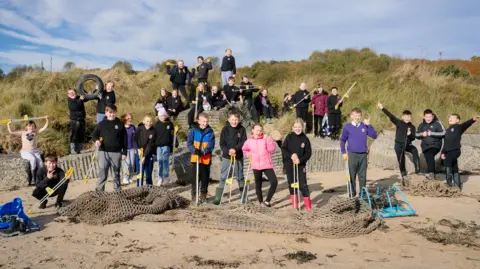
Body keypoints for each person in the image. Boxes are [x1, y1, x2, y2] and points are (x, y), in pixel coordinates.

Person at [340, 108, 377, 197]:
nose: (357, 117)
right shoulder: (347, 127)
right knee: (351, 175)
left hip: (363, 155)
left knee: (362, 176)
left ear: (361, 116)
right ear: (351, 116)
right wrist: (343, 152)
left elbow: (374, 136)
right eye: (355, 115)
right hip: (352, 154)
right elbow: (342, 140)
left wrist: (369, 125)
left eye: (359, 115)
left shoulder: (364, 126)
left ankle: (362, 193)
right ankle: (352, 193)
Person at [377, 103, 420, 179]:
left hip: (407, 144)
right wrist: (382, 108)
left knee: (415, 150)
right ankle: (404, 174)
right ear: (402, 117)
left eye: (409, 117)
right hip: (398, 144)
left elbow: (413, 138)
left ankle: (418, 170)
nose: (407, 118)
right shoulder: (399, 123)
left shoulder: (412, 126)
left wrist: (410, 134)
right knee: (401, 159)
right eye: (406, 117)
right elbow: (390, 115)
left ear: (410, 118)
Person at [213, 111, 248, 205]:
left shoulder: (242, 129)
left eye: (236, 120)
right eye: (232, 119)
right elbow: (222, 143)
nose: (234, 121)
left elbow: (243, 141)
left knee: (240, 176)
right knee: (223, 176)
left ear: (239, 119)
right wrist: (228, 151)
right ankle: (218, 198)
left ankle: (243, 196)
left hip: (238, 156)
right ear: (228, 120)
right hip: (226, 156)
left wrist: (235, 149)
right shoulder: (225, 129)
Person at [92, 104, 127, 191]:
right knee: (102, 172)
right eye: (110, 112)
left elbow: (125, 140)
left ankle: (117, 190)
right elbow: (94, 134)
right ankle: (99, 191)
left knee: (116, 173)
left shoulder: (120, 124)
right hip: (103, 152)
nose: (112, 114)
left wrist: (124, 152)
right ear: (106, 113)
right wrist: (96, 140)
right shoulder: (101, 124)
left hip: (116, 152)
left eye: (114, 112)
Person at [242, 123, 278, 207]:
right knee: (258, 184)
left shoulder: (265, 139)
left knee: (274, 182)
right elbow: (244, 150)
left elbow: (271, 149)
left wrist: (269, 140)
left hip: (266, 164)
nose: (258, 132)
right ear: (253, 130)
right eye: (257, 130)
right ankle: (261, 202)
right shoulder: (248, 141)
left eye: (260, 130)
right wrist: (249, 155)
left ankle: (267, 201)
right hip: (255, 165)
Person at [282, 119, 312, 211]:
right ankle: (295, 206)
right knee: (292, 184)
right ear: (292, 128)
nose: (297, 129)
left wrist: (300, 160)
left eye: (299, 127)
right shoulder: (289, 137)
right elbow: (284, 149)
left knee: (303, 185)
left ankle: (308, 207)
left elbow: (308, 153)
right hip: (289, 164)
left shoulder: (305, 139)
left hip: (300, 165)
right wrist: (291, 155)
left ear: (302, 127)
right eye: (295, 127)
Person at [441, 114, 478, 189]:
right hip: (447, 151)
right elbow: (446, 143)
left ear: (457, 120)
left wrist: (472, 119)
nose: (450, 119)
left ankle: (449, 184)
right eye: (449, 118)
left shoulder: (458, 127)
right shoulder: (447, 130)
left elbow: (466, 124)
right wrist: (443, 152)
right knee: (454, 167)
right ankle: (457, 185)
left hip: (455, 151)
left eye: (452, 118)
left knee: (447, 164)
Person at [7, 118, 49, 185]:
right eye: (29, 126)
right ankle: (33, 179)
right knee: (33, 159)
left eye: (33, 126)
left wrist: (47, 120)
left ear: (35, 128)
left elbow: (44, 128)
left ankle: (41, 178)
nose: (31, 127)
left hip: (35, 151)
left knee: (41, 163)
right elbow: (11, 132)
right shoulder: (22, 133)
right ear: (26, 127)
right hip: (26, 151)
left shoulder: (35, 132)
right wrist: (8, 124)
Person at [187, 112, 215, 202]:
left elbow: (211, 145)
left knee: (205, 178)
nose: (205, 123)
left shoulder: (210, 132)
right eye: (203, 121)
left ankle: (203, 195)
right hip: (195, 158)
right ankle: (194, 194)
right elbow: (189, 143)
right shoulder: (193, 131)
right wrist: (194, 150)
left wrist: (204, 151)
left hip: (206, 159)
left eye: (207, 121)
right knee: (195, 178)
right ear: (199, 121)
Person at [416, 109, 445, 179]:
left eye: (430, 117)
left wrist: (431, 133)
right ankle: (433, 176)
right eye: (427, 117)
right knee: (429, 158)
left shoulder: (437, 123)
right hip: (425, 147)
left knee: (430, 154)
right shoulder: (421, 125)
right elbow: (416, 135)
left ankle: (431, 173)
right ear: (424, 117)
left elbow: (444, 133)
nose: (428, 118)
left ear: (433, 116)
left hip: (435, 145)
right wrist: (422, 134)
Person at [154, 109, 177, 186]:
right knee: (159, 161)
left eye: (163, 115)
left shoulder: (170, 124)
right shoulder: (156, 125)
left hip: (166, 145)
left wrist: (175, 142)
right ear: (158, 116)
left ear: (166, 115)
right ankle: (160, 177)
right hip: (158, 146)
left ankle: (166, 176)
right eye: (160, 115)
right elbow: (154, 136)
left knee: (165, 161)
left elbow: (173, 135)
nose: (162, 117)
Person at [133, 116, 157, 185]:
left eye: (150, 121)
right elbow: (134, 140)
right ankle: (139, 188)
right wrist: (137, 149)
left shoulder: (153, 131)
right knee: (139, 173)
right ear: (143, 121)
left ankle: (149, 188)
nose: (149, 123)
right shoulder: (139, 129)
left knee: (148, 173)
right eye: (147, 121)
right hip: (139, 153)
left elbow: (150, 145)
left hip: (148, 154)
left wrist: (144, 156)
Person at [67, 88, 90, 154]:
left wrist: (83, 91)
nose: (72, 94)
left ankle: (79, 149)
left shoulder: (78, 97)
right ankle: (73, 149)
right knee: (74, 135)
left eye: (73, 92)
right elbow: (74, 107)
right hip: (74, 121)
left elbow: (87, 98)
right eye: (70, 93)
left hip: (82, 119)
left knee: (81, 135)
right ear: (68, 95)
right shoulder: (70, 100)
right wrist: (80, 100)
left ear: (76, 92)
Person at [121, 113, 136, 185]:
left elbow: (136, 137)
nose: (130, 120)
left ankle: (130, 177)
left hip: (132, 148)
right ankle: (125, 177)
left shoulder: (133, 127)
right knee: (127, 164)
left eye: (131, 118)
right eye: (128, 118)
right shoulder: (122, 127)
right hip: (125, 149)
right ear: (124, 119)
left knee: (132, 164)